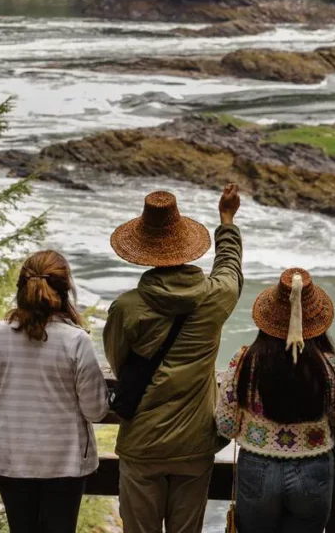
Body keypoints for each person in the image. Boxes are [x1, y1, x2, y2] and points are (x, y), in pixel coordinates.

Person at [103, 185, 243, 533]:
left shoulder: (127, 307)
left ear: (143, 251)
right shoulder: (216, 297)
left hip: (143, 443)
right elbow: (230, 268)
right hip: (194, 445)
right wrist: (226, 220)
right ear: (186, 246)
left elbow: (119, 362)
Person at [0, 250, 109, 533]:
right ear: (65, 290)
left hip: (11, 458)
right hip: (64, 461)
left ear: (22, 288)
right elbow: (95, 409)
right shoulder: (75, 340)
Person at [216, 268, 335, 533]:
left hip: (257, 467)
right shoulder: (331, 366)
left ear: (266, 318)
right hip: (313, 468)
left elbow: (225, 425)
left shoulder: (244, 360)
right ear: (317, 322)